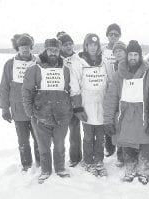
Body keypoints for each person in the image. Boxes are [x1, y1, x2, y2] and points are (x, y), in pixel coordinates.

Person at [103, 40, 149, 185]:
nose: (133, 58)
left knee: (145, 144)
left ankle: (143, 170)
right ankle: (129, 168)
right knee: (127, 143)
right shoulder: (118, 75)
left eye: (136, 55)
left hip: (143, 116)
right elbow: (111, 99)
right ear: (127, 56)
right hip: (125, 115)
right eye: (131, 55)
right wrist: (108, 120)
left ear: (140, 56)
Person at [22, 38, 72, 183]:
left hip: (62, 115)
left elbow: (70, 89)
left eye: (56, 50)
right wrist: (29, 111)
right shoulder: (34, 69)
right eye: (50, 50)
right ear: (45, 50)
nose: (53, 53)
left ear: (59, 51)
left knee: (60, 145)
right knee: (43, 146)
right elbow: (26, 91)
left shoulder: (66, 70)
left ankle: (60, 168)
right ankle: (45, 170)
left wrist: (71, 109)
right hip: (40, 114)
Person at [0, 33, 40, 172]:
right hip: (18, 110)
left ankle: (41, 163)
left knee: (39, 139)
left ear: (31, 47)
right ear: (18, 47)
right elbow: (4, 87)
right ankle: (26, 164)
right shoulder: (10, 64)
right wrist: (5, 108)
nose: (25, 49)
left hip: (36, 109)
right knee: (23, 141)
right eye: (22, 47)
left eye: (27, 46)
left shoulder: (37, 62)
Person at [71, 33, 108, 177]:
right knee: (88, 136)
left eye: (95, 45)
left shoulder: (104, 61)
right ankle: (88, 161)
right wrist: (78, 108)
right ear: (85, 46)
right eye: (90, 45)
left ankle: (99, 160)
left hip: (102, 104)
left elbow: (109, 82)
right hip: (87, 105)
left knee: (100, 136)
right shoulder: (79, 62)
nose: (93, 47)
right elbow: (74, 86)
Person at [57, 32, 82, 167]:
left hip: (76, 99)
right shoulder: (56, 59)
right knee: (60, 133)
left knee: (75, 130)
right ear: (60, 47)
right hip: (60, 100)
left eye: (70, 44)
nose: (68, 46)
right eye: (65, 44)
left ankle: (75, 157)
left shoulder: (78, 59)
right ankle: (59, 158)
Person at [102, 23, 122, 157]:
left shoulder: (122, 49)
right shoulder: (102, 51)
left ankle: (121, 145)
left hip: (120, 88)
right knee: (108, 116)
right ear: (107, 35)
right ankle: (109, 146)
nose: (113, 36)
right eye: (111, 34)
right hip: (105, 88)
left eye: (116, 34)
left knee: (119, 117)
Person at [111, 41, 127, 167]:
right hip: (117, 102)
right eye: (116, 51)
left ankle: (130, 155)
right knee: (119, 129)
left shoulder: (131, 64)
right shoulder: (114, 66)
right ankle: (120, 156)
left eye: (120, 51)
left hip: (129, 101)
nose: (118, 53)